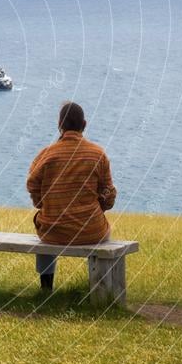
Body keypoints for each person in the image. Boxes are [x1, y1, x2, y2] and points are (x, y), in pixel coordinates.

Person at [26, 101, 117, 291]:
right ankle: (98, 288)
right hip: (91, 230)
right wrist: (100, 206)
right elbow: (109, 193)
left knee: (42, 223)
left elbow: (32, 184)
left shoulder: (46, 154)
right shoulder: (98, 154)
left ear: (60, 124)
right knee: (105, 229)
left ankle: (46, 288)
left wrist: (45, 204)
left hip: (53, 231)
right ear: (84, 125)